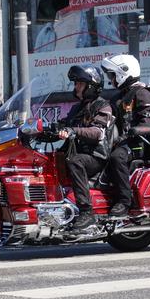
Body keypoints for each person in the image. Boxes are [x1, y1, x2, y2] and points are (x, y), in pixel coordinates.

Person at [57, 64, 113, 230]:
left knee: (75, 161)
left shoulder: (103, 106)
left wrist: (73, 130)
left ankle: (86, 212)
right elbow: (64, 125)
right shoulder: (77, 108)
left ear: (92, 86)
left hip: (96, 156)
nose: (76, 87)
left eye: (80, 84)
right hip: (80, 152)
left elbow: (97, 132)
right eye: (76, 84)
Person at [101, 54, 150, 218]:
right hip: (120, 141)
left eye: (112, 75)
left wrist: (133, 131)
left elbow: (149, 124)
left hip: (138, 144)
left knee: (117, 157)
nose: (111, 80)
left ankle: (125, 201)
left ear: (123, 72)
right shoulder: (118, 97)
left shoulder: (142, 93)